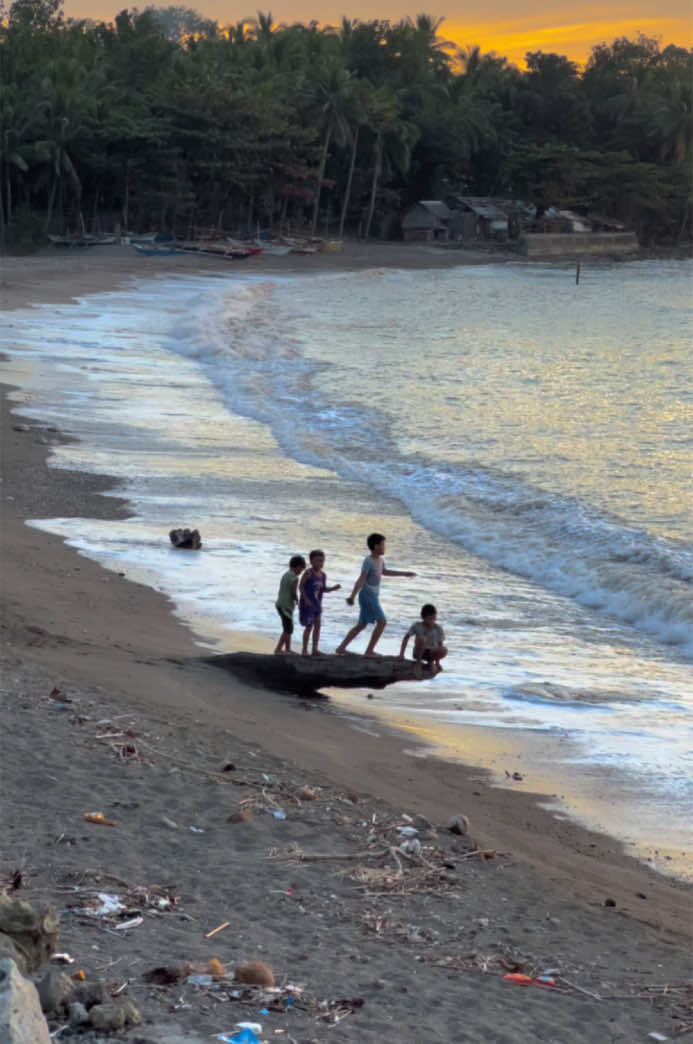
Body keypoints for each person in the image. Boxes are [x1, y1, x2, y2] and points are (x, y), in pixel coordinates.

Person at [335, 533, 416, 657]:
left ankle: (341, 648)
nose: (385, 547)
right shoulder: (368, 561)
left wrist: (405, 574)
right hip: (368, 595)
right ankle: (369, 651)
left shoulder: (380, 560)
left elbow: (385, 572)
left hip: (373, 596)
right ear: (375, 546)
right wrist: (352, 596)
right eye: (383, 545)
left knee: (361, 624)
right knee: (382, 622)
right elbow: (361, 578)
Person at [298, 550, 341, 656]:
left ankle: (315, 649)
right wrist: (306, 599)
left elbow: (323, 589)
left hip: (317, 604)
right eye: (317, 561)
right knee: (309, 627)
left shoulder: (323, 575)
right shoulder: (308, 572)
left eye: (322, 561)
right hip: (307, 604)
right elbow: (301, 586)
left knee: (318, 626)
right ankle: (304, 650)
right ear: (311, 561)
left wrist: (332, 589)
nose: (320, 563)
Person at [399, 603, 447, 677]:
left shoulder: (438, 628)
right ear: (423, 618)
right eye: (430, 619)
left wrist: (437, 662)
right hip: (418, 651)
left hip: (431, 653)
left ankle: (431, 662)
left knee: (444, 650)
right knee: (422, 639)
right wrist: (401, 654)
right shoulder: (417, 625)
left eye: (434, 618)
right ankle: (418, 664)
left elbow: (440, 644)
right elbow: (406, 637)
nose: (432, 621)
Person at [274, 555, 306, 654]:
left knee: (287, 628)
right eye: (301, 569)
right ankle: (278, 649)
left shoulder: (286, 574)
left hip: (279, 603)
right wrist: (297, 600)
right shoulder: (295, 578)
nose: (301, 572)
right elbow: (293, 592)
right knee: (288, 629)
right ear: (297, 566)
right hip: (286, 606)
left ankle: (287, 649)